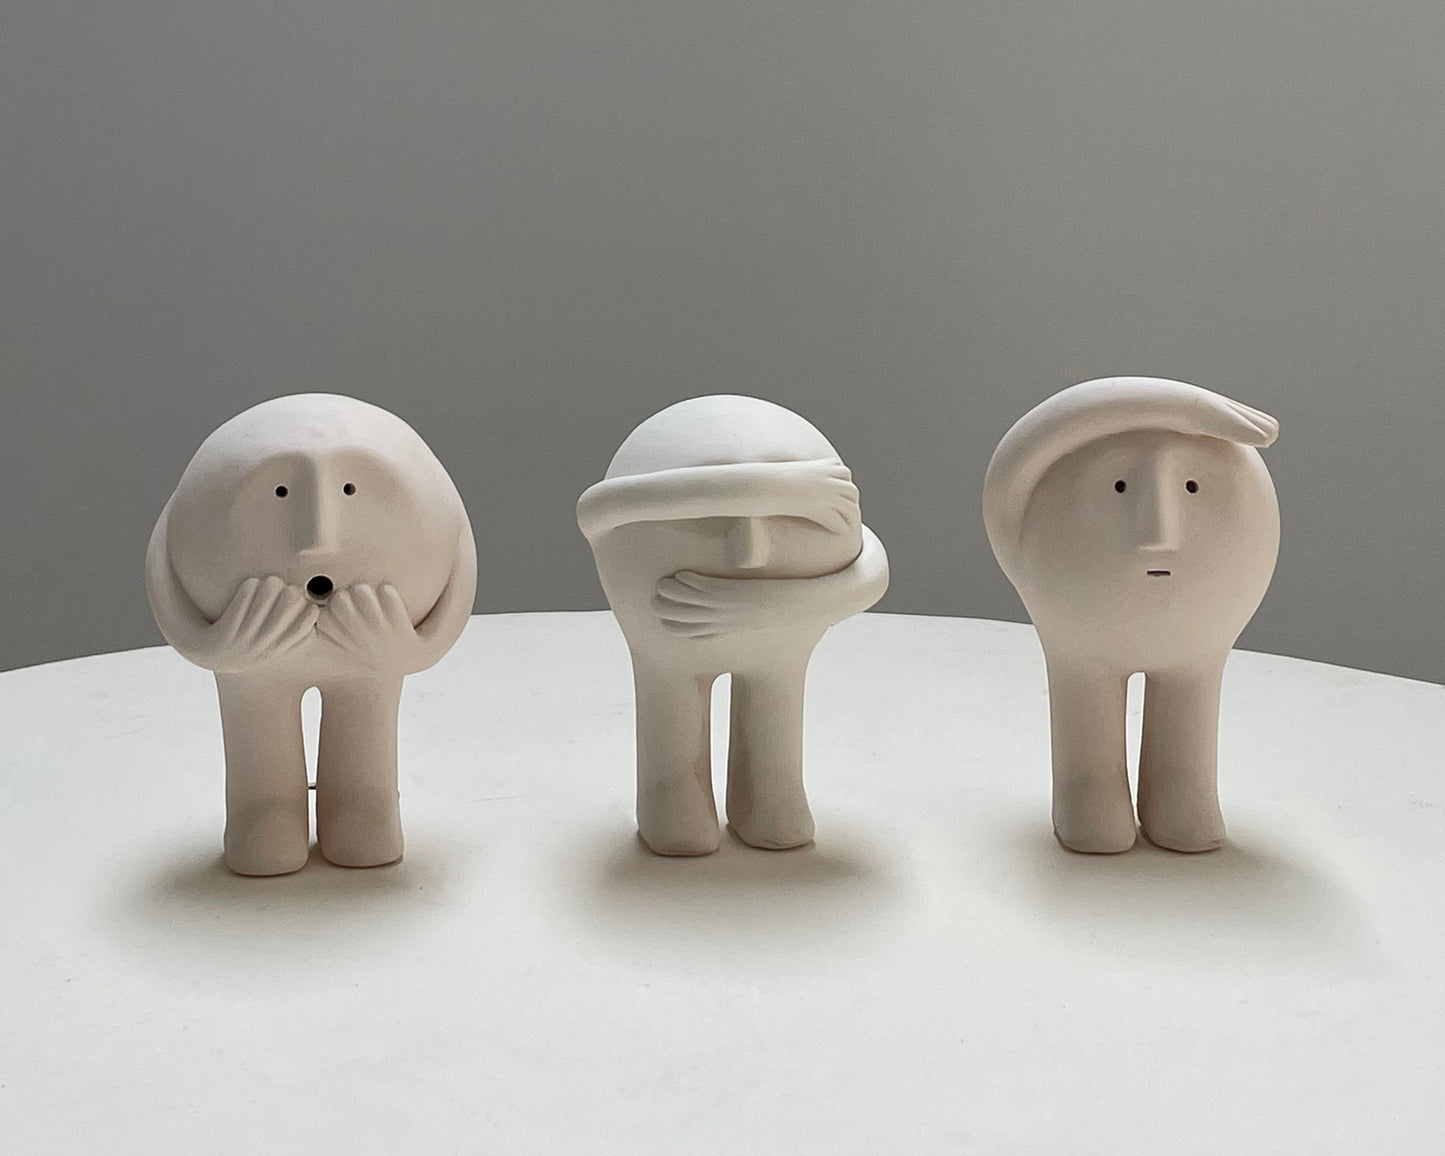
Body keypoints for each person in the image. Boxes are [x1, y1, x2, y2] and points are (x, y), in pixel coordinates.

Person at [147, 394, 476, 875]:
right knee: (265, 829)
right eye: (281, 491)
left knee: (365, 820)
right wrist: (218, 649)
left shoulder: (429, 491)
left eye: (349, 489)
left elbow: (458, 542)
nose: (317, 542)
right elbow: (165, 558)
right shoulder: (200, 493)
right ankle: (262, 810)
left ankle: (365, 805)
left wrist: (411, 650)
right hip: (256, 659)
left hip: (370, 647)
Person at [579, 395, 889, 855]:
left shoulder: (846, 535)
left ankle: (768, 795)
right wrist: (784, 491)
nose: (749, 556)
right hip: (670, 635)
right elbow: (594, 511)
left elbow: (874, 576)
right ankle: (671, 792)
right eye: (711, 523)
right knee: (673, 705)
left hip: (779, 639)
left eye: (788, 521)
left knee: (775, 719)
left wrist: (765, 607)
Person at [984, 377, 1280, 853]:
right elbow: (1012, 467)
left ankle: (1182, 786)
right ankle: (1087, 786)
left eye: (1190, 487)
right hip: (1078, 633)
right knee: (1085, 690)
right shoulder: (1035, 518)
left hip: (1202, 630)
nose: (1158, 536)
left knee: (1192, 693)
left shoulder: (1243, 494)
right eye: (1120, 487)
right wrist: (1181, 407)